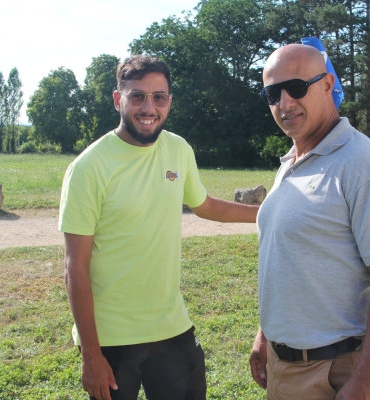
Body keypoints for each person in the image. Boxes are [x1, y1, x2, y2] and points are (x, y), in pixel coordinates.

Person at [59, 55, 258, 400]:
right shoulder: (89, 167)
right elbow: (75, 266)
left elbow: (206, 205)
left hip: (171, 326)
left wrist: (271, 212)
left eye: (159, 97)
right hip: (112, 336)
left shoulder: (178, 149)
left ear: (169, 102)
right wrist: (91, 355)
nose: (148, 107)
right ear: (117, 99)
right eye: (137, 96)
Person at [249, 44, 370, 400]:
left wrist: (366, 382)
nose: (285, 102)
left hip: (337, 371)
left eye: (296, 87)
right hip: (284, 365)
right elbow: (288, 262)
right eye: (272, 93)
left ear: (327, 84)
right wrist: (266, 336)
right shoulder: (292, 161)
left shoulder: (364, 164)